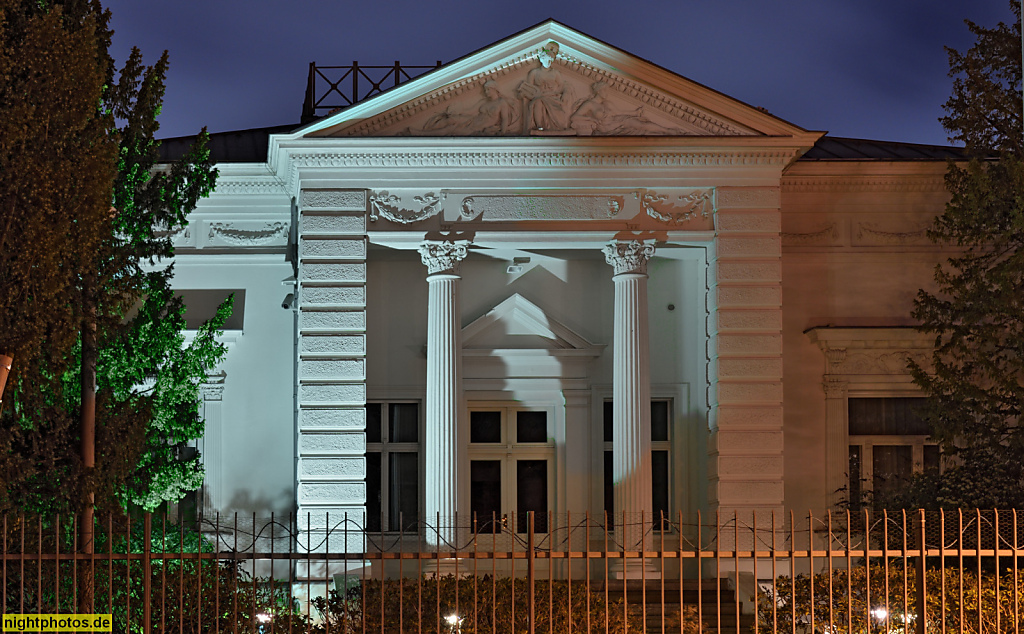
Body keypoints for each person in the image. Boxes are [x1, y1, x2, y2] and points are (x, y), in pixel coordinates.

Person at [412, 80, 519, 136]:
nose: (486, 92)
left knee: (450, 129)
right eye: (485, 90)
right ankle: (426, 130)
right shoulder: (483, 102)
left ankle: (421, 134)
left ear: (495, 89)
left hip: (476, 128)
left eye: (488, 90)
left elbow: (504, 118)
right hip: (472, 120)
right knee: (451, 119)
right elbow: (470, 111)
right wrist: (457, 112)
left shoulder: (501, 102)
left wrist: (503, 133)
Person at [517, 42, 575, 132]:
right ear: (541, 59)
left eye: (550, 60)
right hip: (539, 97)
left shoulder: (555, 73)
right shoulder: (534, 73)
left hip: (553, 97)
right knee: (538, 102)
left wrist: (565, 93)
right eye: (546, 59)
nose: (548, 62)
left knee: (558, 110)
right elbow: (529, 88)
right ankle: (539, 126)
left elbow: (562, 86)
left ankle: (558, 127)